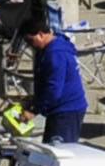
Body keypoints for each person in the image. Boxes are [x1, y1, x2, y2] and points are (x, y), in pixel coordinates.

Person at [22, 16, 88, 144]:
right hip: (60, 109)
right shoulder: (50, 48)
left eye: (30, 40)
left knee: (58, 154)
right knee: (49, 151)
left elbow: (53, 89)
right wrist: (35, 99)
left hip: (66, 110)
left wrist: (34, 111)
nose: (29, 45)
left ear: (41, 34)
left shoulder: (55, 54)